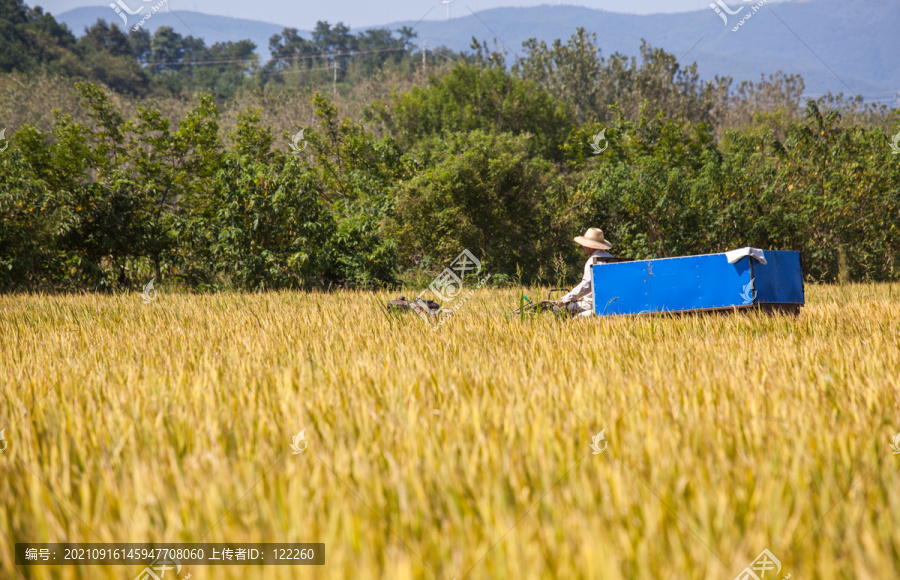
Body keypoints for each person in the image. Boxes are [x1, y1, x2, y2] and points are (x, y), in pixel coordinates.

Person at [556, 228, 614, 317]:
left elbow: (586, 285)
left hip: (594, 304)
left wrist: (565, 299)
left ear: (589, 246)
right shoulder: (612, 258)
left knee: (558, 309)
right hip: (611, 302)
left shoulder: (593, 261)